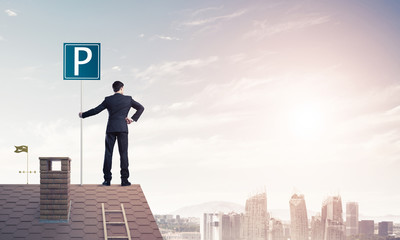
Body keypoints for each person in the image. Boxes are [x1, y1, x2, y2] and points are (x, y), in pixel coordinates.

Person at [79, 81, 144, 186]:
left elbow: (96, 110)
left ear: (113, 89)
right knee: (123, 154)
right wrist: (132, 119)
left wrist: (83, 115)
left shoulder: (108, 100)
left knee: (108, 154)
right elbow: (141, 108)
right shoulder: (128, 99)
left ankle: (107, 180)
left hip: (111, 129)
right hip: (123, 128)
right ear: (122, 88)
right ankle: (124, 180)